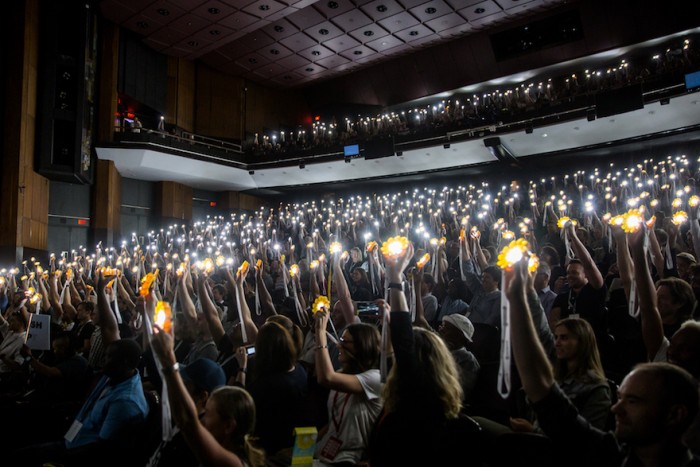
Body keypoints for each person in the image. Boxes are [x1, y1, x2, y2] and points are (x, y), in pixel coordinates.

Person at [505, 257, 700, 467]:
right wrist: (517, 298)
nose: (616, 408)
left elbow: (646, 307)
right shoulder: (612, 455)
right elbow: (540, 387)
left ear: (675, 414)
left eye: (633, 401)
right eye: (621, 398)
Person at [368, 241, 483, 466]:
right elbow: (408, 330)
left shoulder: (406, 413)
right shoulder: (454, 424)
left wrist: (395, 278)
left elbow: (403, 336)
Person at [151, 319, 265, 467]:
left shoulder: (232, 464)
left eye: (209, 413)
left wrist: (168, 360)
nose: (202, 419)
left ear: (228, 427)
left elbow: (187, 421)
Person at [314, 311, 382, 465]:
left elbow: (326, 378)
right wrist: (306, 445)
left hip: (350, 459)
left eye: (345, 341)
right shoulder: (340, 374)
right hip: (325, 452)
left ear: (361, 346)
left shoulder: (375, 379)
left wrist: (320, 332)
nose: (339, 345)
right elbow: (335, 419)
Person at [438, 313, 480, 402]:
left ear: (460, 336)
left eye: (447, 328)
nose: (441, 329)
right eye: (442, 325)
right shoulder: (438, 350)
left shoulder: (468, 360)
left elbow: (458, 392)